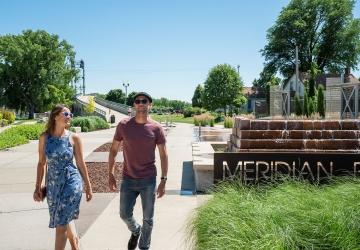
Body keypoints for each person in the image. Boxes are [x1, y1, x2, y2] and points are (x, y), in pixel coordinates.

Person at [108, 92, 168, 250]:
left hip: (148, 180)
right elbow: (113, 150)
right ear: (134, 105)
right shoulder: (123, 125)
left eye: (144, 101)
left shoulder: (156, 128)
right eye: (137, 101)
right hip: (128, 179)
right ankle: (136, 230)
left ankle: (144, 247)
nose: (141, 103)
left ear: (150, 105)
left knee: (148, 218)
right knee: (124, 214)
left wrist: (163, 180)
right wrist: (111, 173)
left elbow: (163, 155)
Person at [33, 104, 93, 250]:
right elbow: (41, 163)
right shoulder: (44, 138)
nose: (69, 117)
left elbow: (80, 162)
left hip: (72, 182)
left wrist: (89, 186)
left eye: (70, 114)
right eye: (66, 114)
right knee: (64, 218)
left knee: (60, 225)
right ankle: (75, 244)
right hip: (53, 184)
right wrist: (37, 187)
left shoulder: (74, 138)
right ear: (55, 117)